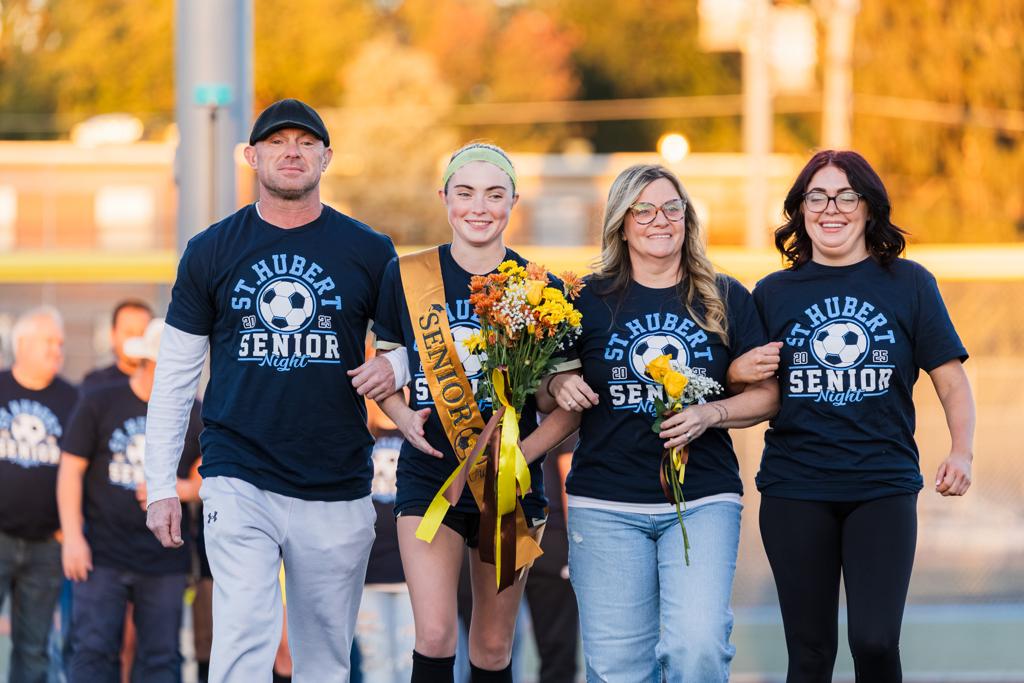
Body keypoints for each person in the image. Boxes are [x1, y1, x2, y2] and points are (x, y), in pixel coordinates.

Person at [143, 98, 399, 682]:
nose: (292, 152)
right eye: (278, 141)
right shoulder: (211, 249)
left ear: (326, 158)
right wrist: (160, 486)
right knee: (243, 640)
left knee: (324, 659)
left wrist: (398, 368)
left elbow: (403, 345)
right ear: (251, 156)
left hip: (336, 479)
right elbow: (175, 375)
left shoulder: (369, 250)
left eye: (306, 143)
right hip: (239, 475)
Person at [730, 149, 974, 683]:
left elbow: (951, 378)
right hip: (796, 489)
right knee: (810, 654)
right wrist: (735, 371)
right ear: (800, 210)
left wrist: (961, 451)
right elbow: (750, 388)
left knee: (875, 641)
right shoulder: (771, 293)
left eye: (846, 196)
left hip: (881, 486)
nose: (831, 209)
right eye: (816, 197)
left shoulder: (909, 283)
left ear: (869, 207)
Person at [537, 164, 779, 682]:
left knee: (698, 648)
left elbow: (768, 395)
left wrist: (710, 413)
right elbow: (546, 389)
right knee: (618, 669)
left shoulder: (723, 295)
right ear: (621, 224)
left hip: (701, 500)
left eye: (672, 208)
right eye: (642, 210)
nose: (659, 220)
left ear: (687, 219)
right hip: (605, 505)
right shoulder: (585, 299)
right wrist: (557, 385)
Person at [370, 142, 563, 683]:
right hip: (430, 476)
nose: (479, 207)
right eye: (466, 192)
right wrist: (401, 417)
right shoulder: (406, 276)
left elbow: (560, 407)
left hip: (511, 484)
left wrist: (517, 456)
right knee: (435, 635)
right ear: (444, 198)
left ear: (514, 202)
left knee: (493, 647)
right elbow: (387, 372)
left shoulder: (540, 286)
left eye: (495, 194)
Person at [57, 318, 203, 682]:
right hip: (102, 554)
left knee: (161, 659)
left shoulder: (195, 411)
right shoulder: (100, 401)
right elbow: (70, 470)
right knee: (93, 652)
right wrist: (73, 537)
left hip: (165, 557)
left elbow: (209, 472)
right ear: (150, 363)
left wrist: (180, 489)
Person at [0, 306, 79, 683]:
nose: (57, 350)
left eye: (60, 343)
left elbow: (83, 469)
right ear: (22, 344)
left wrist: (71, 528)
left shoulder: (73, 399)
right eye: (49, 342)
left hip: (47, 545)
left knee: (34, 650)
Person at [521, 431, 578, 683]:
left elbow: (568, 472)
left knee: (556, 649)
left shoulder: (557, 416)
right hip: (512, 534)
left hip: (548, 540)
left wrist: (571, 545)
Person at [80, 300, 154, 394]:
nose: (136, 340)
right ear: (113, 335)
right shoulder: (95, 385)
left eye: (143, 332)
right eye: (129, 333)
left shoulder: (164, 384)